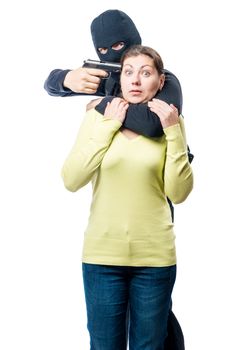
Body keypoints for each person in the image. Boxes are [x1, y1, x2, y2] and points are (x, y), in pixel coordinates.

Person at [61, 45, 193, 350]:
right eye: (128, 72)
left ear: (160, 83)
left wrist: (173, 132)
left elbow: (180, 192)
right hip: (102, 257)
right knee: (104, 345)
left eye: (145, 73)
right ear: (119, 80)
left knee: (150, 346)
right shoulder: (98, 117)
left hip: (155, 258)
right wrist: (108, 126)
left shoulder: (170, 122)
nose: (135, 80)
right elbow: (71, 179)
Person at [44, 9, 186, 141]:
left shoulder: (164, 79)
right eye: (103, 49)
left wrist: (102, 103)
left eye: (118, 45)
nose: (111, 54)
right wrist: (66, 79)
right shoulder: (110, 77)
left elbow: (154, 123)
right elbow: (50, 85)